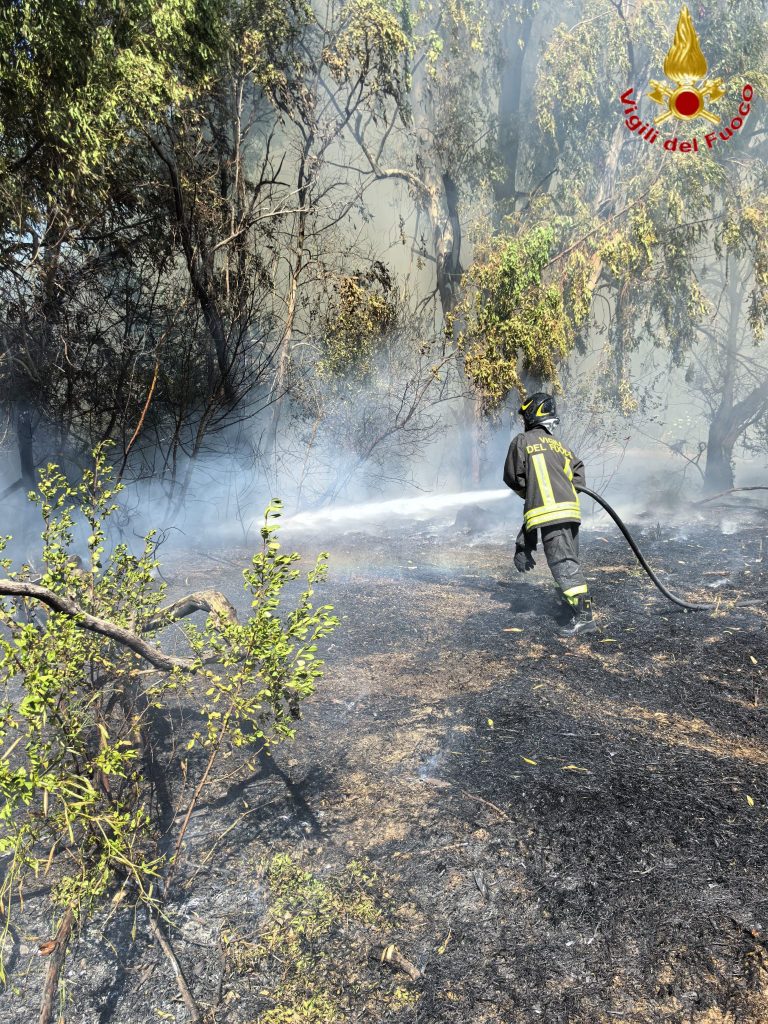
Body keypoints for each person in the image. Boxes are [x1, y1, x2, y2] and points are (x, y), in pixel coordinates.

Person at [503, 392, 596, 637]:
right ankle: (569, 608)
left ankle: (585, 617)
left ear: (533, 413)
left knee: (562, 563)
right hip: (570, 513)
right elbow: (578, 475)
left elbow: (514, 478)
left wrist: (529, 490)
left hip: (551, 513)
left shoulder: (523, 441)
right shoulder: (561, 446)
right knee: (568, 560)